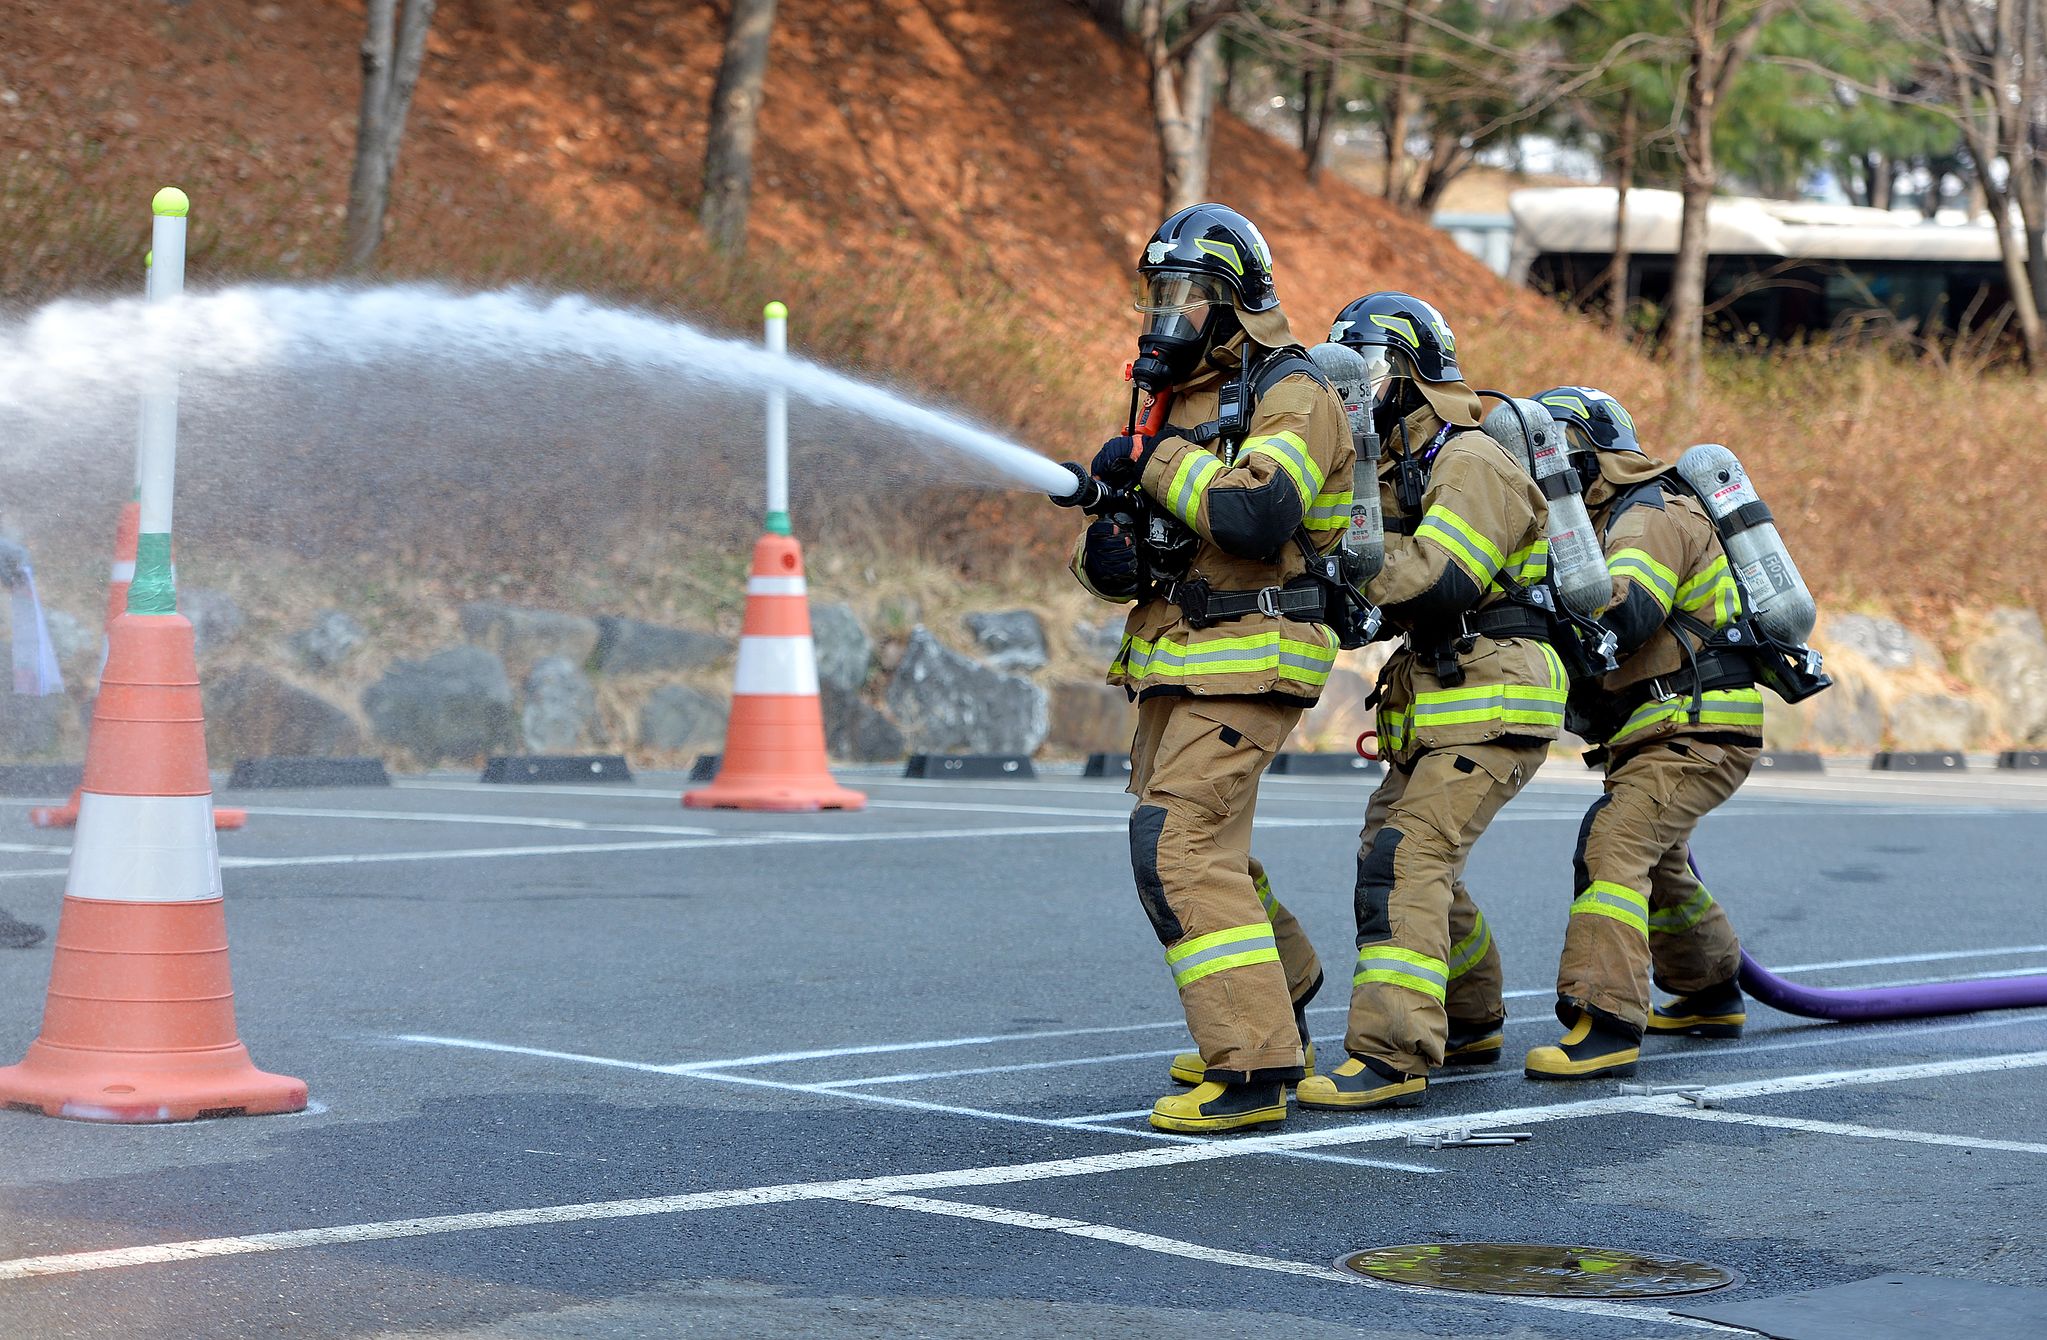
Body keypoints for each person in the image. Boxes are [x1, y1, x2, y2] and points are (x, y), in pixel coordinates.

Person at [1053, 203, 1352, 1133]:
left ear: (1238, 302)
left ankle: (1254, 1066)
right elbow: (1152, 534)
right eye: (1160, 293)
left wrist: (1153, 465)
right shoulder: (1171, 400)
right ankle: (1283, 992)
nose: (1170, 312)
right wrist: (1104, 559)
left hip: (1256, 654)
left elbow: (1257, 518)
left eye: (1192, 294)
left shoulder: (1290, 393)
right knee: (1205, 852)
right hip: (1177, 658)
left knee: (1175, 847)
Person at [1294, 293, 1563, 1112]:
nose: (1358, 389)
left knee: (1406, 860)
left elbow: (1445, 572)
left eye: (1371, 370)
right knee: (1398, 853)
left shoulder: (1472, 458)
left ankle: (1390, 1053)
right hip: (1445, 695)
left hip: (1495, 687)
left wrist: (1340, 565)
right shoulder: (1392, 465)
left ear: (1410, 375)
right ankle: (1472, 1016)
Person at [1521, 387, 1761, 1081]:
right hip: (1670, 724)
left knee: (1614, 845)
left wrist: (1540, 611)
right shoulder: (1609, 519)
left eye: (1555, 456)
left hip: (1691, 725)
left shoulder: (1645, 514)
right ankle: (1710, 992)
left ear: (1586, 454)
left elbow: (1625, 612)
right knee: (1658, 862)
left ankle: (1606, 1024)